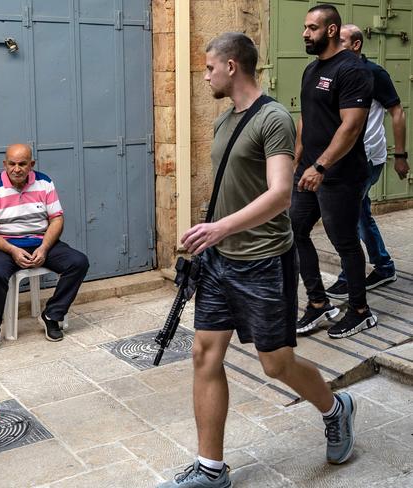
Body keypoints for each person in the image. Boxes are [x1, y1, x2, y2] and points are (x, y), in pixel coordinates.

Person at [157, 32, 356, 488]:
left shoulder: (274, 119)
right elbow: (233, 186)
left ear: (232, 66)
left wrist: (222, 227)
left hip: (263, 261)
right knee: (204, 354)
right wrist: (211, 231)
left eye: (209, 67)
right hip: (220, 262)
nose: (205, 75)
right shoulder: (224, 121)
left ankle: (335, 408)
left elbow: (280, 194)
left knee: (276, 363)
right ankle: (211, 470)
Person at [290, 4, 377, 339]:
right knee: (296, 231)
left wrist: (321, 165)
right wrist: (298, 160)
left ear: (330, 30)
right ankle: (318, 303)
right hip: (309, 171)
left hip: (339, 174)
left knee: (344, 242)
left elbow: (351, 127)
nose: (304, 33)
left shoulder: (353, 70)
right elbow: (306, 118)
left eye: (311, 28)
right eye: (304, 27)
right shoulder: (312, 70)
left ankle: (359, 310)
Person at [0, 143, 89, 358]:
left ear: (31, 165)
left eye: (22, 164)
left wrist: (44, 247)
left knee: (78, 262)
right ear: (5, 164)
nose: (17, 169)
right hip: (6, 246)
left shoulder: (44, 183)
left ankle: (52, 315)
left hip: (41, 241)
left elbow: (56, 219)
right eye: (12, 164)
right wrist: (12, 249)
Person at [325, 24, 410, 299]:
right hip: (344, 158)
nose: (335, 45)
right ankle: (384, 266)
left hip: (368, 158)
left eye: (342, 41)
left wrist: (400, 155)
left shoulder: (373, 73)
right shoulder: (337, 71)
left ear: (357, 45)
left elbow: (397, 112)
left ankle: (352, 275)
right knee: (359, 215)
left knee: (347, 217)